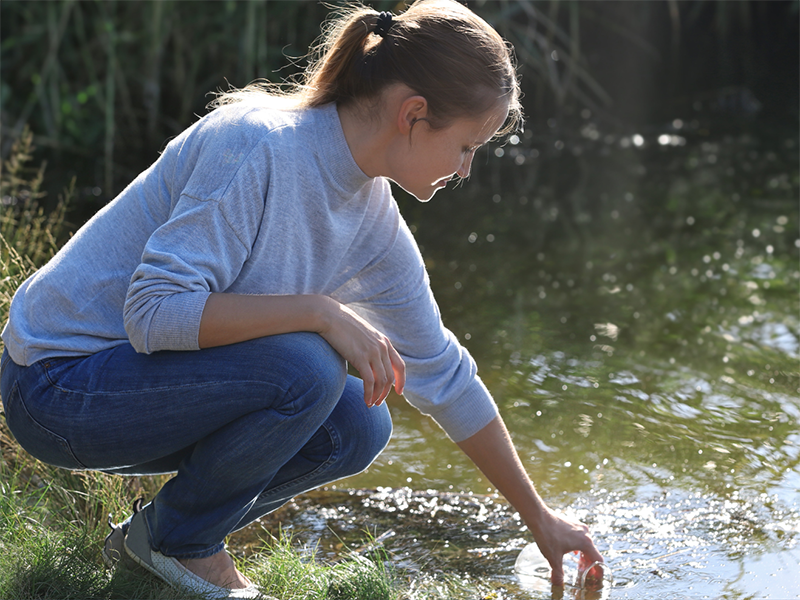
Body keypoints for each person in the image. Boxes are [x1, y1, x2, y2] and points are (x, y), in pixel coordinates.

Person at [0, 1, 602, 597]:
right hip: (56, 386)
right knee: (310, 366)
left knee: (358, 423)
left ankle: (162, 534)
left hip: (138, 390)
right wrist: (320, 312)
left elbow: (442, 375)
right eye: (468, 146)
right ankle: (183, 547)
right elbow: (154, 313)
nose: (467, 168)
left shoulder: (374, 222)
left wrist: (539, 517)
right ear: (414, 114)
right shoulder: (259, 145)